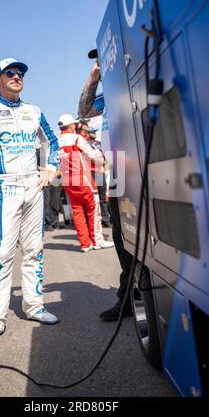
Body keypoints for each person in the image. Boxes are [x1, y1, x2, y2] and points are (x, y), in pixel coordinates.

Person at [0, 57, 60, 348]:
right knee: (3, 254)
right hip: (4, 187)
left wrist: (49, 169)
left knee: (34, 250)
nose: (16, 76)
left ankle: (34, 307)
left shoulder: (35, 111)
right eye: (10, 72)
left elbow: (52, 143)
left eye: (20, 73)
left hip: (33, 185)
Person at [78, 58, 132, 320]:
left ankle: (142, 294)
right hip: (116, 172)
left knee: (140, 237)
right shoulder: (107, 94)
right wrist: (94, 78)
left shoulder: (129, 81)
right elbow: (84, 110)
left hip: (136, 167)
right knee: (122, 239)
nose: (100, 63)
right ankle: (129, 298)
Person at [58, 113, 114, 252]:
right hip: (82, 180)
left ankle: (85, 244)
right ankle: (98, 241)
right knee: (93, 209)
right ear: (71, 126)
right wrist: (103, 161)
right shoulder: (76, 138)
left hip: (67, 181)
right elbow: (93, 154)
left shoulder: (57, 140)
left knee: (77, 211)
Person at [88, 127, 111, 228]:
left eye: (95, 131)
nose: (95, 134)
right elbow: (89, 157)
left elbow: (104, 157)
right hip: (91, 172)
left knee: (102, 197)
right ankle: (94, 220)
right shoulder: (85, 144)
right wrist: (99, 162)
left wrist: (104, 166)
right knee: (94, 197)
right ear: (88, 133)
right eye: (92, 132)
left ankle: (105, 219)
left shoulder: (98, 144)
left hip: (100, 172)